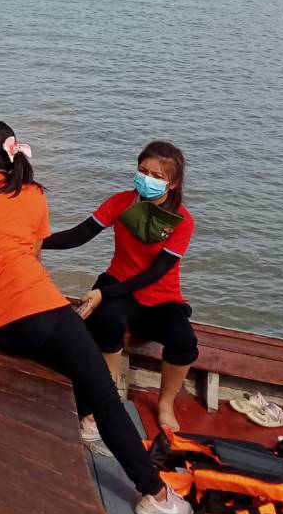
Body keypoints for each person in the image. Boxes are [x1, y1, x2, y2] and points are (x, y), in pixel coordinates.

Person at [0, 120, 190, 514]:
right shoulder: (35, 195)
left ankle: (88, 417)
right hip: (36, 305)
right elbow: (33, 257)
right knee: (104, 388)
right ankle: (156, 494)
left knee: (77, 365)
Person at [43, 141, 195, 438]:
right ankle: (106, 393)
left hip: (159, 295)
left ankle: (165, 404)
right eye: (142, 170)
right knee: (107, 321)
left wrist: (102, 294)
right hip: (118, 284)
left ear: (173, 183)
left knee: (184, 341)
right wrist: (38, 242)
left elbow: (156, 272)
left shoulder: (182, 221)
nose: (146, 178)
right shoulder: (122, 202)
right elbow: (81, 233)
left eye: (156, 175)